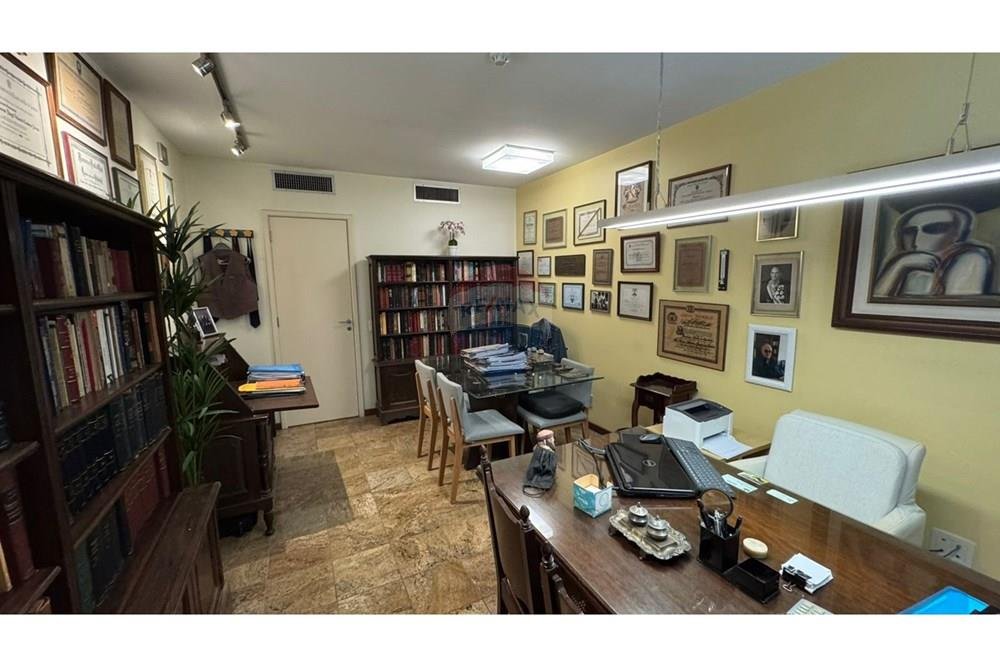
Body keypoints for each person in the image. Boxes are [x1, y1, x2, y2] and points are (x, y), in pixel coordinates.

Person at [873, 203, 995, 298]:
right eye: (910, 231)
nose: (917, 238)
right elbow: (876, 303)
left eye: (934, 229)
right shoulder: (905, 260)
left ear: (958, 232)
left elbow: (954, 310)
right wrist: (899, 265)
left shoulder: (971, 257)